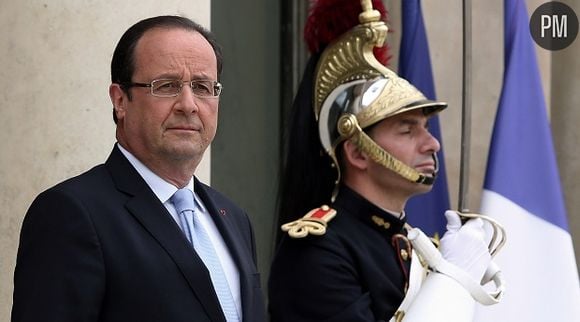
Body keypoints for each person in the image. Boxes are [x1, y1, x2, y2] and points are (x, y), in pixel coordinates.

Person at [12, 15, 266, 322]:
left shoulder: (234, 218)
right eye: (167, 86)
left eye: (202, 86)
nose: (188, 104)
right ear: (120, 100)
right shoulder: (70, 213)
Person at [269, 1, 504, 321]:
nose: (432, 144)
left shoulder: (411, 246)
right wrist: (454, 280)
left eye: (426, 128)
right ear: (358, 152)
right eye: (408, 131)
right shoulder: (318, 251)